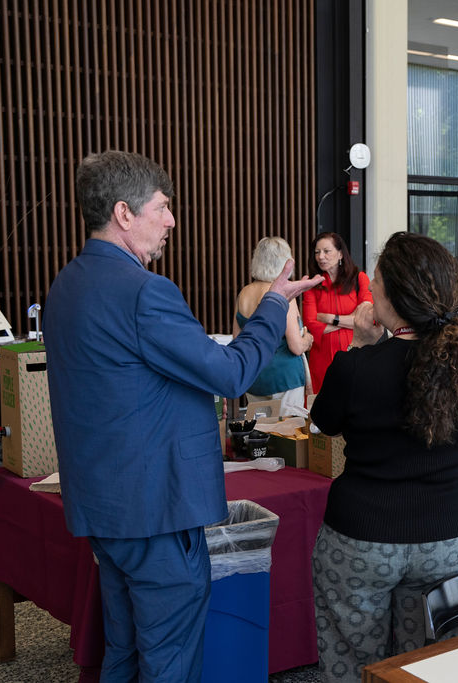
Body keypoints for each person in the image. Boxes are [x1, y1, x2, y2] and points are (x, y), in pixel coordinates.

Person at [44, 150, 322, 681]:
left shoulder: (67, 285)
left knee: (123, 651)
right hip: (155, 511)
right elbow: (231, 374)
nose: (172, 220)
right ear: (125, 214)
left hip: (102, 505)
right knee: (170, 661)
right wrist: (274, 304)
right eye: (163, 208)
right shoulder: (147, 292)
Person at [310, 232, 458, 682]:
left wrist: (360, 344)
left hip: (360, 538)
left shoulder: (358, 366)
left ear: (394, 296)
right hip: (446, 537)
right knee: (424, 665)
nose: (370, 289)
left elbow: (322, 422)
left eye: (375, 282)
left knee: (351, 658)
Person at [233, 236, 314, 415]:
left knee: (261, 435)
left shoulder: (244, 294)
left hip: (254, 377)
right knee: (287, 435)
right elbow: (296, 346)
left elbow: (237, 340)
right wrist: (308, 339)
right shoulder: (283, 295)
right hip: (285, 379)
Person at [302, 232, 373, 393]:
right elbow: (311, 325)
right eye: (317, 252)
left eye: (327, 251)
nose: (321, 257)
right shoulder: (311, 285)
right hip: (321, 361)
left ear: (340, 253)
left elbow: (367, 317)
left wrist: (328, 318)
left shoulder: (359, 279)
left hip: (355, 355)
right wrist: (351, 321)